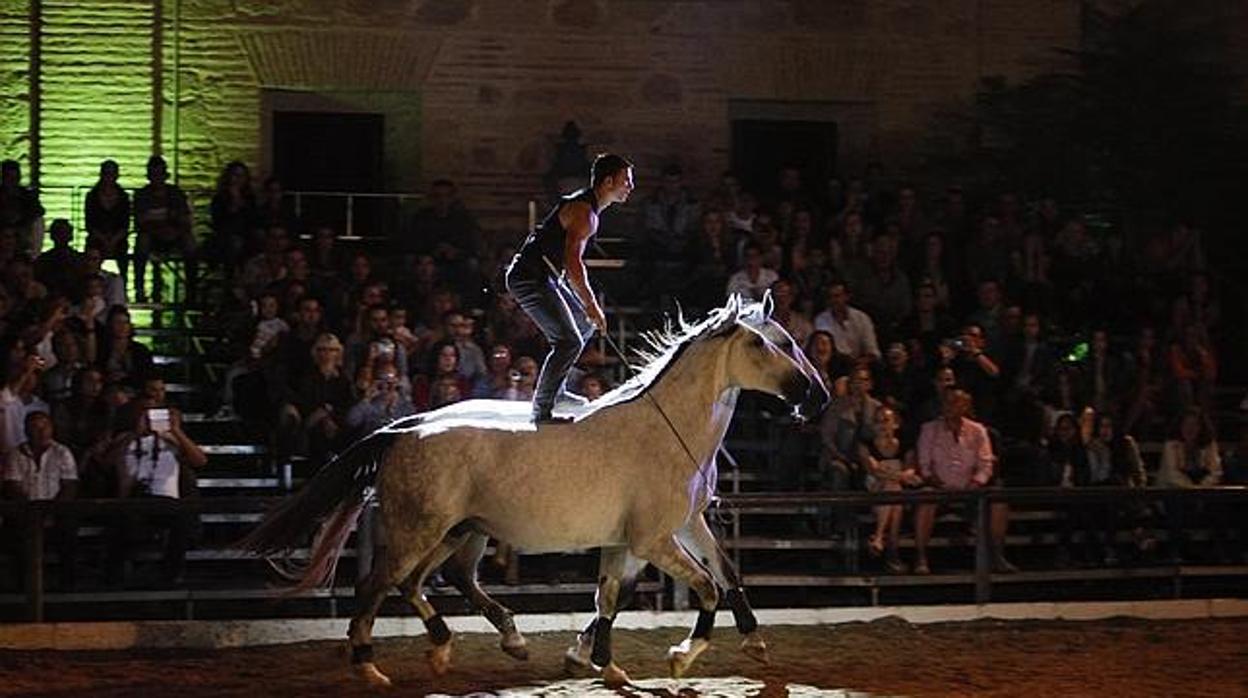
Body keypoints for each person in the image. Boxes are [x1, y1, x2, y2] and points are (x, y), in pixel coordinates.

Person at [505, 153, 633, 424]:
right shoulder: (584, 212)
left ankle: (558, 392)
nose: (630, 187)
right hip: (529, 277)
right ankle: (542, 409)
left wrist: (587, 309)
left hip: (546, 277)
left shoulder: (590, 211)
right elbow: (573, 263)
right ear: (608, 181)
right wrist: (590, 304)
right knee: (568, 341)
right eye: (626, 181)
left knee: (584, 326)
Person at [913, 388, 1015, 575]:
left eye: (954, 402)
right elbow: (924, 463)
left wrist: (976, 483)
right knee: (926, 497)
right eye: (946, 402)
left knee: (999, 501)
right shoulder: (929, 429)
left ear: (965, 406)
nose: (949, 406)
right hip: (939, 490)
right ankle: (921, 558)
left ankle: (998, 556)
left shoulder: (978, 431)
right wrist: (933, 480)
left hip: (971, 490)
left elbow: (986, 464)